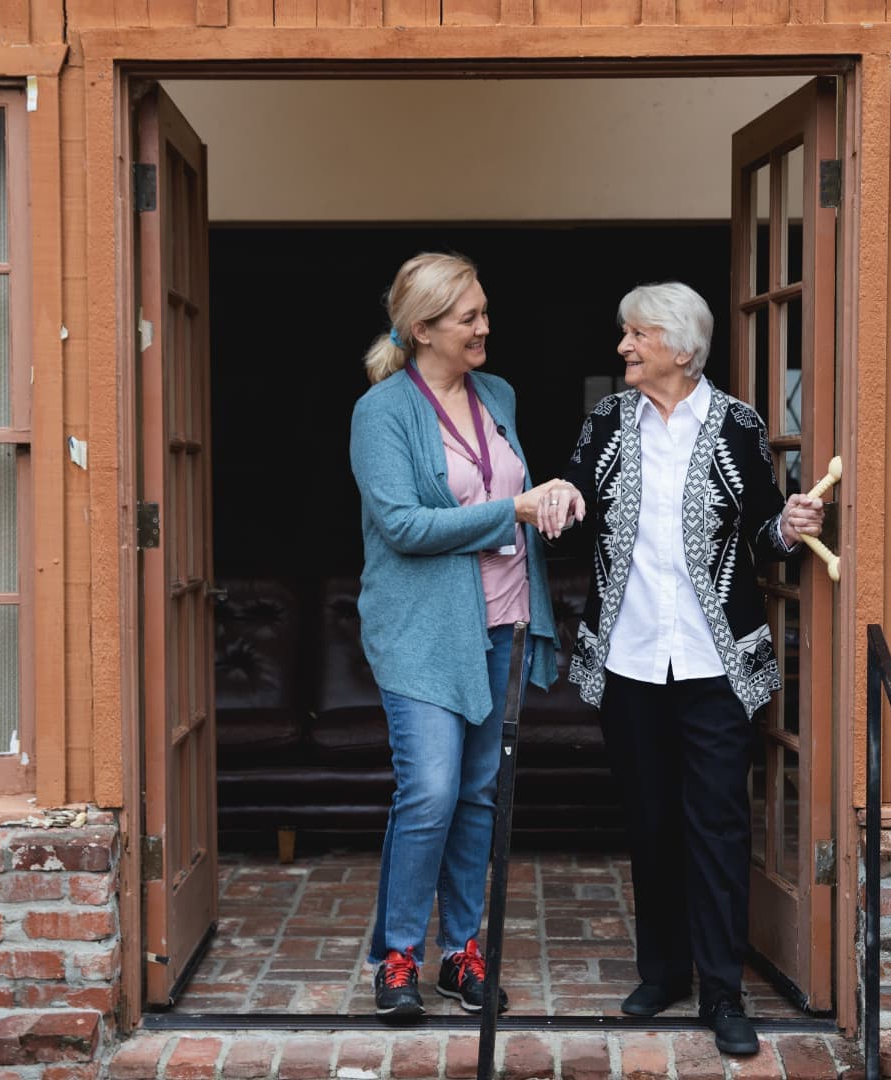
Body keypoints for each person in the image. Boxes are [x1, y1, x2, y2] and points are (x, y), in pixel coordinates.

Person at [544, 281, 823, 1055]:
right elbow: (574, 498)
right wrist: (561, 497)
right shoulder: (608, 420)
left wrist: (789, 524)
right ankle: (663, 971)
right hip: (631, 660)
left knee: (719, 826)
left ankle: (723, 991)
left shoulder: (738, 424)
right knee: (650, 820)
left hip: (713, 665)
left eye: (637, 335)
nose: (624, 347)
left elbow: (763, 532)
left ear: (679, 345)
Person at [350, 252, 583, 1022]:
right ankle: (397, 956)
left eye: (484, 311)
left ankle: (460, 952)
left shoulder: (498, 393)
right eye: (469, 317)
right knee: (430, 791)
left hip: (504, 621)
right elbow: (403, 526)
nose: (485, 326)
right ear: (422, 329)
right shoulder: (382, 412)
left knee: (479, 794)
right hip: (423, 632)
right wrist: (512, 512)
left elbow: (507, 485)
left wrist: (551, 499)